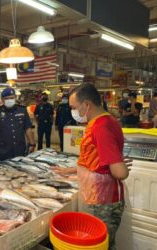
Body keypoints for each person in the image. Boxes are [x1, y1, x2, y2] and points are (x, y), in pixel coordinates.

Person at [54, 83, 129, 250]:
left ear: (87, 104)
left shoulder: (101, 128)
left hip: (102, 201)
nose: (73, 112)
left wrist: (120, 165)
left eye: (74, 107)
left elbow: (120, 172)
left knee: (98, 245)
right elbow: (96, 160)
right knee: (106, 244)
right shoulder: (107, 120)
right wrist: (70, 170)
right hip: (99, 196)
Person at [0, 87, 35, 162]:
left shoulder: (22, 110)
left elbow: (27, 127)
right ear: (2, 99)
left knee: (21, 171)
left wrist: (32, 143)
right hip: (3, 150)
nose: (9, 100)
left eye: (11, 98)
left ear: (15, 97)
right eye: (6, 99)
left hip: (20, 149)